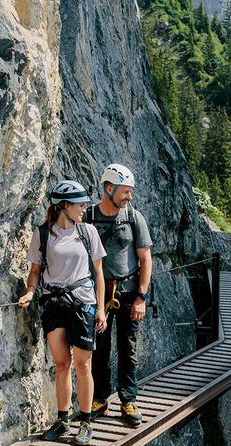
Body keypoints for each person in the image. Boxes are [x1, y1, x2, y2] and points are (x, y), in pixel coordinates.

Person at [18, 180, 107, 445]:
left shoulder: (88, 232)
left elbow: (99, 274)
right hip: (55, 304)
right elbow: (34, 272)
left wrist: (101, 309)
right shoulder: (43, 234)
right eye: (80, 205)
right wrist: (30, 292)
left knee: (83, 364)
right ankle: (62, 420)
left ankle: (86, 422)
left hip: (83, 304)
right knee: (61, 364)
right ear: (64, 206)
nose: (84, 209)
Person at [85, 163, 153, 425]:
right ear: (109, 188)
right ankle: (100, 398)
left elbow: (146, 259)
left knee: (128, 347)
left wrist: (141, 297)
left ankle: (128, 401)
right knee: (99, 347)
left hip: (127, 293)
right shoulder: (89, 216)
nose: (129, 197)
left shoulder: (134, 218)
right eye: (125, 192)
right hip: (98, 293)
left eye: (130, 193)